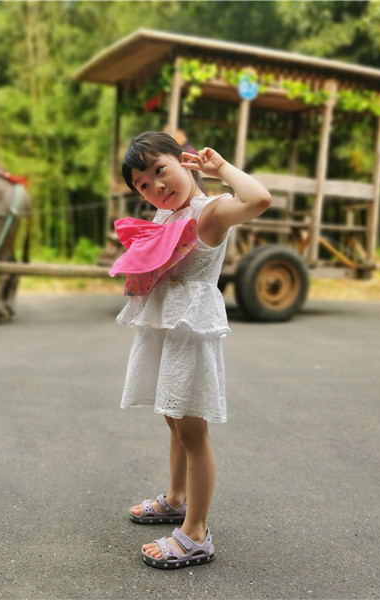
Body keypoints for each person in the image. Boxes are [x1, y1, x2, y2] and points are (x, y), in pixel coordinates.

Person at [110, 131, 271, 569]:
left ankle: (196, 532)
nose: (156, 187)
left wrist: (220, 170)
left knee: (193, 431)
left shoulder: (210, 211)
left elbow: (258, 200)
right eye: (143, 185)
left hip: (190, 330)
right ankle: (177, 498)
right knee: (173, 419)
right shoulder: (164, 218)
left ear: (183, 163)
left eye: (160, 170)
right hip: (163, 329)